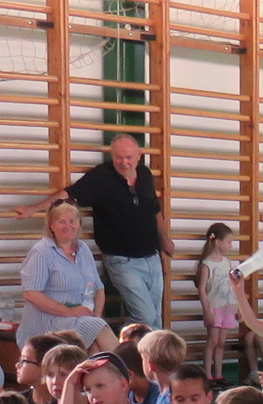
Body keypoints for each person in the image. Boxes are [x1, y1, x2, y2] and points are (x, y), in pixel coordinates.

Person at [11, 132, 171, 328]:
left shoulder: (144, 175)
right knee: (144, 316)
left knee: (155, 318)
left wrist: (165, 239)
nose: (124, 162)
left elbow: (154, 210)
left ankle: (147, 349)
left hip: (151, 256)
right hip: (122, 259)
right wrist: (33, 208)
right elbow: (68, 195)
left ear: (139, 156)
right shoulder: (101, 177)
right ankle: (123, 346)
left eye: (129, 157)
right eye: (119, 157)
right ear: (112, 156)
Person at [14, 198, 117, 351]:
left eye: (72, 221)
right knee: (99, 328)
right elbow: (31, 293)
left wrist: (96, 315)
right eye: (62, 221)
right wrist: (69, 312)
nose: (68, 226)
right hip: (48, 321)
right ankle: (126, 365)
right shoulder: (41, 252)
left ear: (79, 224)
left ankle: (110, 366)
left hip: (79, 319)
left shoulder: (84, 250)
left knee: (95, 343)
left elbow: (99, 289)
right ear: (52, 225)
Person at [193, 223, 245, 383]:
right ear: (218, 242)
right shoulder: (207, 264)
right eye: (229, 242)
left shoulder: (227, 262)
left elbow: (231, 286)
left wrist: (237, 307)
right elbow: (202, 289)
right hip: (214, 309)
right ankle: (208, 375)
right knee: (213, 341)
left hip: (227, 307)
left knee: (221, 343)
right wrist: (207, 311)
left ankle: (219, 374)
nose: (231, 246)